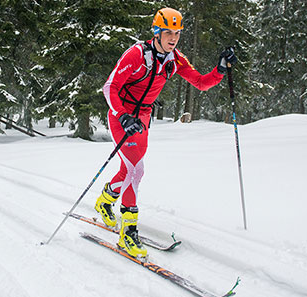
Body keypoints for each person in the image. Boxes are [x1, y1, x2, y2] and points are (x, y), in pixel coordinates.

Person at [95, 7, 237, 258]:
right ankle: (128, 232)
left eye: (178, 33)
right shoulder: (137, 54)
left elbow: (201, 83)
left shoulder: (176, 59)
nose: (173, 38)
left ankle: (106, 200)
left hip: (143, 119)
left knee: (129, 168)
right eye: (168, 32)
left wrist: (221, 68)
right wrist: (123, 115)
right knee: (136, 170)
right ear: (157, 32)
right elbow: (110, 87)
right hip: (122, 116)